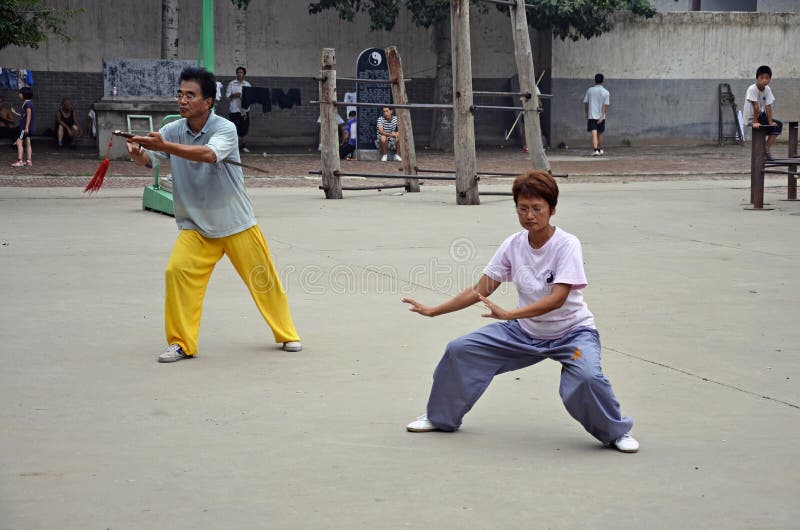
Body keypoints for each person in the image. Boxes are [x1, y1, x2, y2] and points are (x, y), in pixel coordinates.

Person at [401, 170, 638, 453]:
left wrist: (510, 315)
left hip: (571, 336)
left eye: (537, 208)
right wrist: (434, 311)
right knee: (460, 349)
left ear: (552, 209)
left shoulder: (566, 244)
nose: (529, 215)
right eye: (522, 208)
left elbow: (557, 299)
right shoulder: (513, 245)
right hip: (524, 333)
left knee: (587, 376)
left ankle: (616, 432)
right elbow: (481, 289)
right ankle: (440, 418)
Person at [126, 66, 302, 363]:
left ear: (207, 102)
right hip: (196, 225)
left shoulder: (225, 128)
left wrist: (165, 146)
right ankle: (182, 343)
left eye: (190, 96)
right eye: (180, 94)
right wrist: (138, 154)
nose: (182, 101)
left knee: (264, 281)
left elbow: (209, 155)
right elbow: (151, 160)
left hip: (235, 222)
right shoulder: (173, 130)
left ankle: (287, 333)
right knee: (177, 272)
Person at [745, 65, 783, 161]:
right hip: (751, 117)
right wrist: (755, 122)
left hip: (760, 116)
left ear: (770, 79)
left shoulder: (767, 89)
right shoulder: (752, 89)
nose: (764, 80)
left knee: (778, 125)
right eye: (762, 78)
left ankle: (766, 148)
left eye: (767, 78)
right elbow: (755, 106)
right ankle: (762, 151)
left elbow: (768, 106)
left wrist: (770, 122)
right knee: (762, 127)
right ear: (757, 78)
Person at [583, 73, 610, 157]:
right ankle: (600, 149)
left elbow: (586, 103)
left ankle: (595, 150)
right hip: (601, 116)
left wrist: (587, 113)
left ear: (595, 80)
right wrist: (602, 116)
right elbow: (605, 105)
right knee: (600, 133)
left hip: (592, 115)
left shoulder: (590, 90)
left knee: (594, 132)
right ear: (602, 81)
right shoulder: (606, 92)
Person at [226, 66, 251, 152]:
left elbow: (250, 97)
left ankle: (243, 146)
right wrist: (234, 95)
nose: (239, 74)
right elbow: (227, 96)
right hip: (234, 109)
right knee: (234, 128)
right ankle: (234, 147)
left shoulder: (247, 84)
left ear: (244, 74)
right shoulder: (232, 84)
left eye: (241, 72)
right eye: (238, 72)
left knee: (244, 128)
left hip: (244, 110)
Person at [11, 86, 34, 167]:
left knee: (19, 142)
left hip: (24, 128)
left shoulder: (27, 103)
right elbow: (24, 115)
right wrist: (15, 113)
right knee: (28, 142)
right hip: (28, 127)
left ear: (24, 94)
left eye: (20, 93)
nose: (19, 95)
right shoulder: (28, 103)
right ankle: (28, 161)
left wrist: (26, 127)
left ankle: (19, 160)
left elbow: (29, 116)